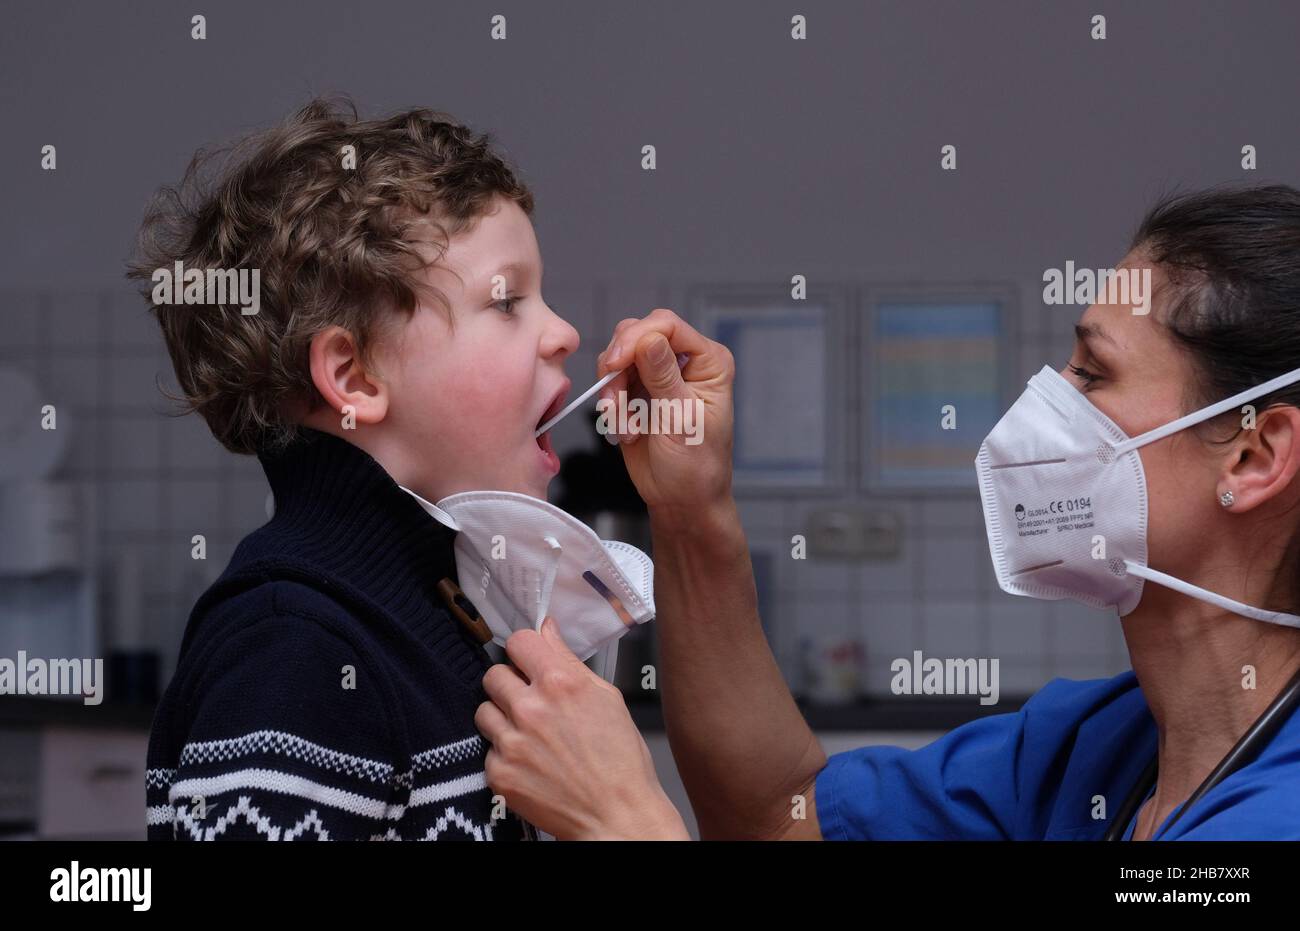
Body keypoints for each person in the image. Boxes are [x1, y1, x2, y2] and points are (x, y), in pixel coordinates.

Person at [476, 185, 1300, 840]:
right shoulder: (1093, 751)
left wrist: (624, 825)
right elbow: (779, 818)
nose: (1045, 409)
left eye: (1092, 374)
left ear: (1253, 455)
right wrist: (690, 508)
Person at [130, 98, 583, 840]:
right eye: (506, 302)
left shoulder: (432, 607)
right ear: (356, 378)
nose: (562, 331)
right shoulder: (296, 645)